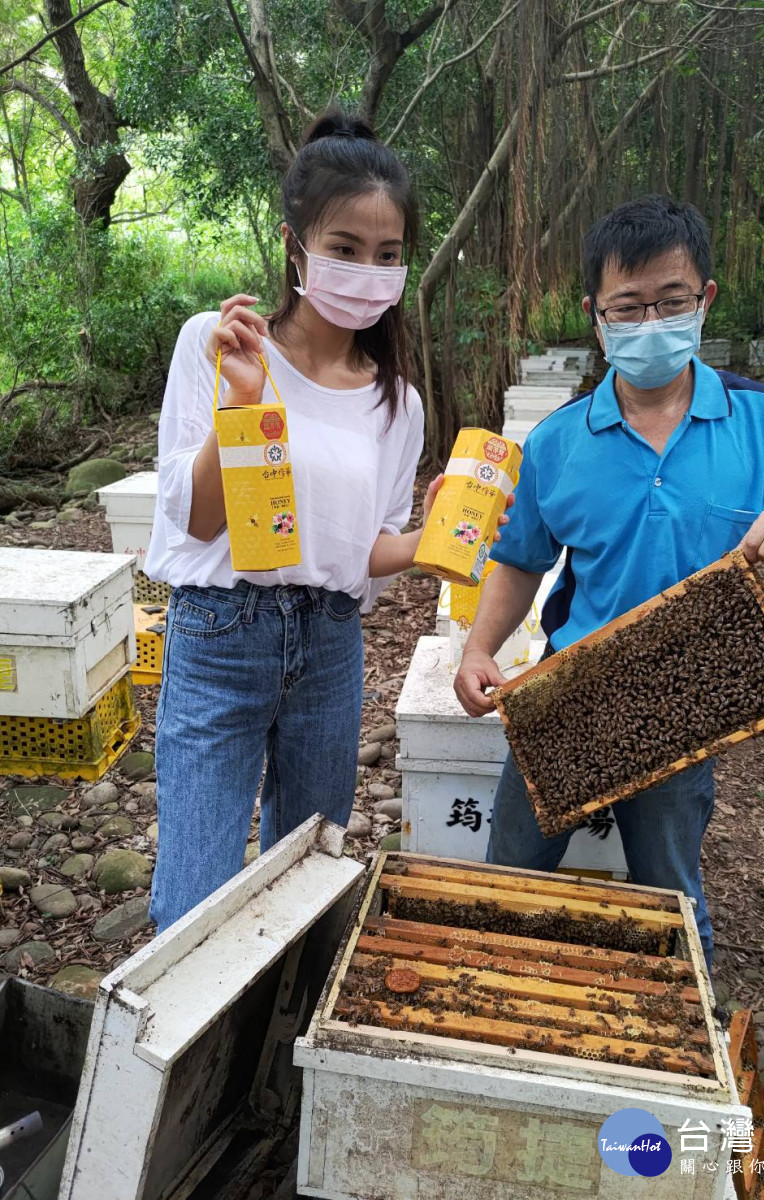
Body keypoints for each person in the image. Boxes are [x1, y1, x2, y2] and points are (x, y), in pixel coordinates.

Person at [453, 194, 764, 968]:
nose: (650, 321)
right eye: (628, 305)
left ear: (705, 299)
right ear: (596, 315)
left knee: (670, 890)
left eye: (671, 300)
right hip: (571, 688)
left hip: (694, 700)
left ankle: (694, 1022)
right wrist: (479, 649)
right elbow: (520, 559)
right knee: (511, 873)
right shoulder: (556, 441)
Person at [144, 106, 512, 932]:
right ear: (295, 245)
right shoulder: (218, 344)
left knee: (307, 871)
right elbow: (201, 521)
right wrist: (243, 402)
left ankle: (286, 1043)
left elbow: (367, 547)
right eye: (345, 249)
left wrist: (433, 539)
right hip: (221, 633)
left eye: (387, 256)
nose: (367, 271)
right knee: (192, 893)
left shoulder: (399, 402)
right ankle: (187, 1056)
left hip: (330, 647)